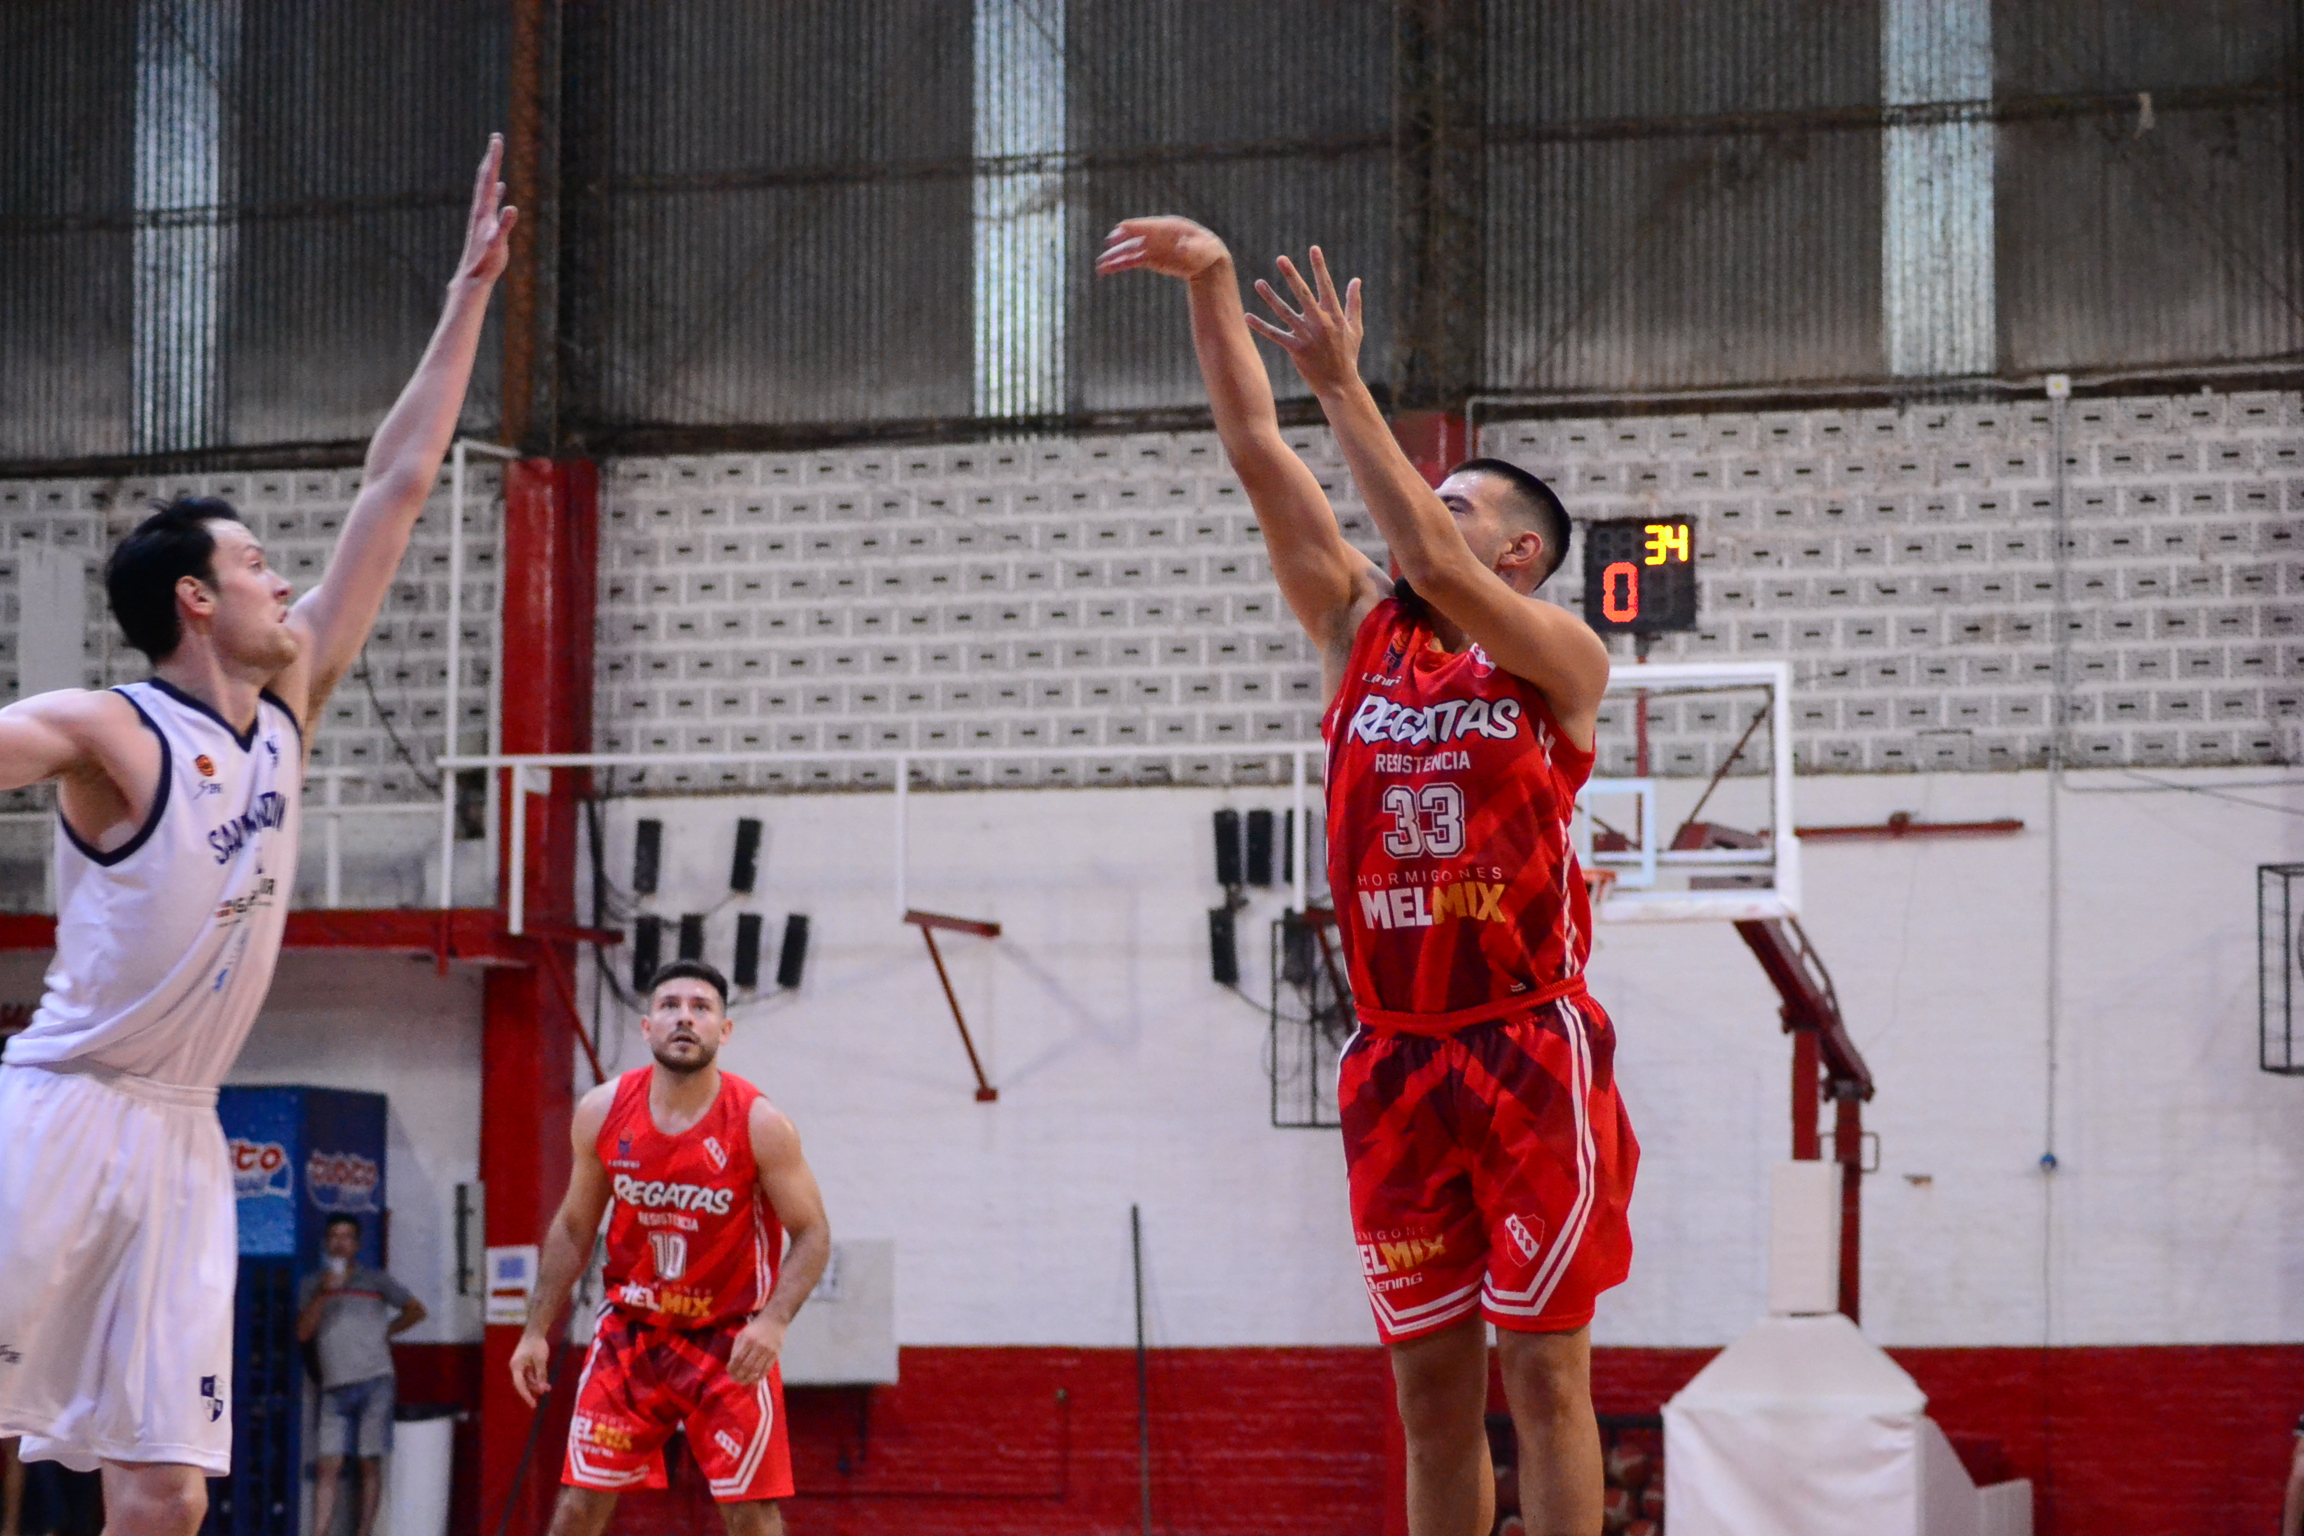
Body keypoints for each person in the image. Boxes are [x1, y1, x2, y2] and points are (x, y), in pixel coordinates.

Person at [0, 137, 516, 1536]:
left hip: (186, 1136)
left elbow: (396, 483)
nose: (283, 579)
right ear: (192, 600)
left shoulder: (289, 708)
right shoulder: (109, 732)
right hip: (64, 1109)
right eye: (252, 563)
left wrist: (469, 293)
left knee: (168, 1489)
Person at [1101, 218, 1638, 1535]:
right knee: (1432, 1403)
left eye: (1453, 502)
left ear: (1520, 554)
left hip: (1524, 1044)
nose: (1418, 513)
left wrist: (1345, 384)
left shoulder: (1558, 657)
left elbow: (1436, 560)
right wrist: (1212, 283)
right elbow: (1255, 449)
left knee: (1544, 1380)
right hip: (1395, 1053)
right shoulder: (1356, 628)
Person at [510, 961, 831, 1536]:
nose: (685, 1017)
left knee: (751, 1517)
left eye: (701, 1008)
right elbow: (574, 1227)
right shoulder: (602, 1111)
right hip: (631, 1334)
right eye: (670, 1006)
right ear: (647, 1026)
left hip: (727, 1339)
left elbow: (813, 1233)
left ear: (724, 1030)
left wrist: (774, 1322)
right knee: (577, 1508)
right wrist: (536, 1330)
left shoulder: (760, 1123)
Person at [296, 1214, 426, 1536]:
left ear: (357, 1244)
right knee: (329, 1462)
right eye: (334, 1236)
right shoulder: (312, 1284)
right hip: (333, 1384)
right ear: (326, 1242)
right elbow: (302, 1333)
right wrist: (323, 1293)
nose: (340, 1243)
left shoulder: (375, 1280)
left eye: (347, 1237)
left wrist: (386, 1332)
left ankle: (364, 1531)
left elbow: (416, 1309)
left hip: (375, 1379)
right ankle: (320, 1532)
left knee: (369, 1460)